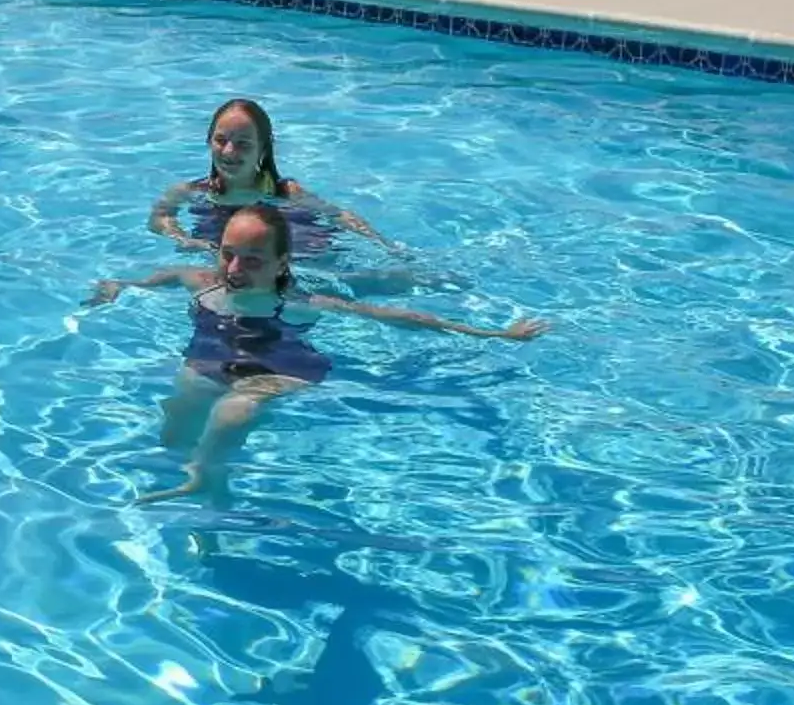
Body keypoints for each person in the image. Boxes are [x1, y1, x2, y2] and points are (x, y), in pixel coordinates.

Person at [90, 203, 548, 504]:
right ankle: (190, 470)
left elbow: (398, 317)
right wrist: (118, 287)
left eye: (251, 259)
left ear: (280, 264)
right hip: (214, 359)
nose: (233, 269)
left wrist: (496, 334)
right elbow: (158, 278)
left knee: (235, 412)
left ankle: (208, 482)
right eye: (227, 255)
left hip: (280, 369)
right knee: (182, 406)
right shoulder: (201, 283)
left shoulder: (299, 304)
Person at [148, 98, 395, 258]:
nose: (229, 152)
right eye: (221, 140)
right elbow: (159, 217)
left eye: (243, 144)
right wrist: (181, 237)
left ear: (263, 149)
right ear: (208, 141)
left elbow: (339, 215)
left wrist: (385, 246)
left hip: (303, 255)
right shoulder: (191, 192)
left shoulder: (285, 192)